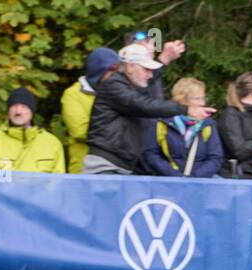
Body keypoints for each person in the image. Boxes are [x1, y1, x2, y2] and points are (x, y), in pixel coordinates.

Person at [83, 43, 210, 175]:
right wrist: (186, 109)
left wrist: (164, 61)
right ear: (130, 67)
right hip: (105, 167)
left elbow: (149, 83)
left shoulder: (129, 85)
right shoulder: (113, 85)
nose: (150, 75)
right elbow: (145, 105)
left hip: (122, 166)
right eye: (146, 69)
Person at [142, 76, 224, 177]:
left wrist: (194, 177)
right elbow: (151, 154)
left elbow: (215, 158)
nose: (202, 103)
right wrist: (174, 175)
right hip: (167, 182)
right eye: (196, 99)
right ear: (182, 100)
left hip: (201, 183)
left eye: (203, 98)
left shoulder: (208, 124)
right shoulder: (160, 122)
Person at [0, 87, 64, 173]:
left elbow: (58, 182)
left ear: (32, 111)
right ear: (8, 111)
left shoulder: (52, 143)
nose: (18, 111)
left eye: (24, 107)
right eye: (14, 106)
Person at [61, 46, 116, 174]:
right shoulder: (72, 94)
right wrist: (117, 131)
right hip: (84, 168)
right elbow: (80, 131)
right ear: (99, 72)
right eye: (112, 72)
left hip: (115, 166)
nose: (115, 77)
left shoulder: (116, 91)